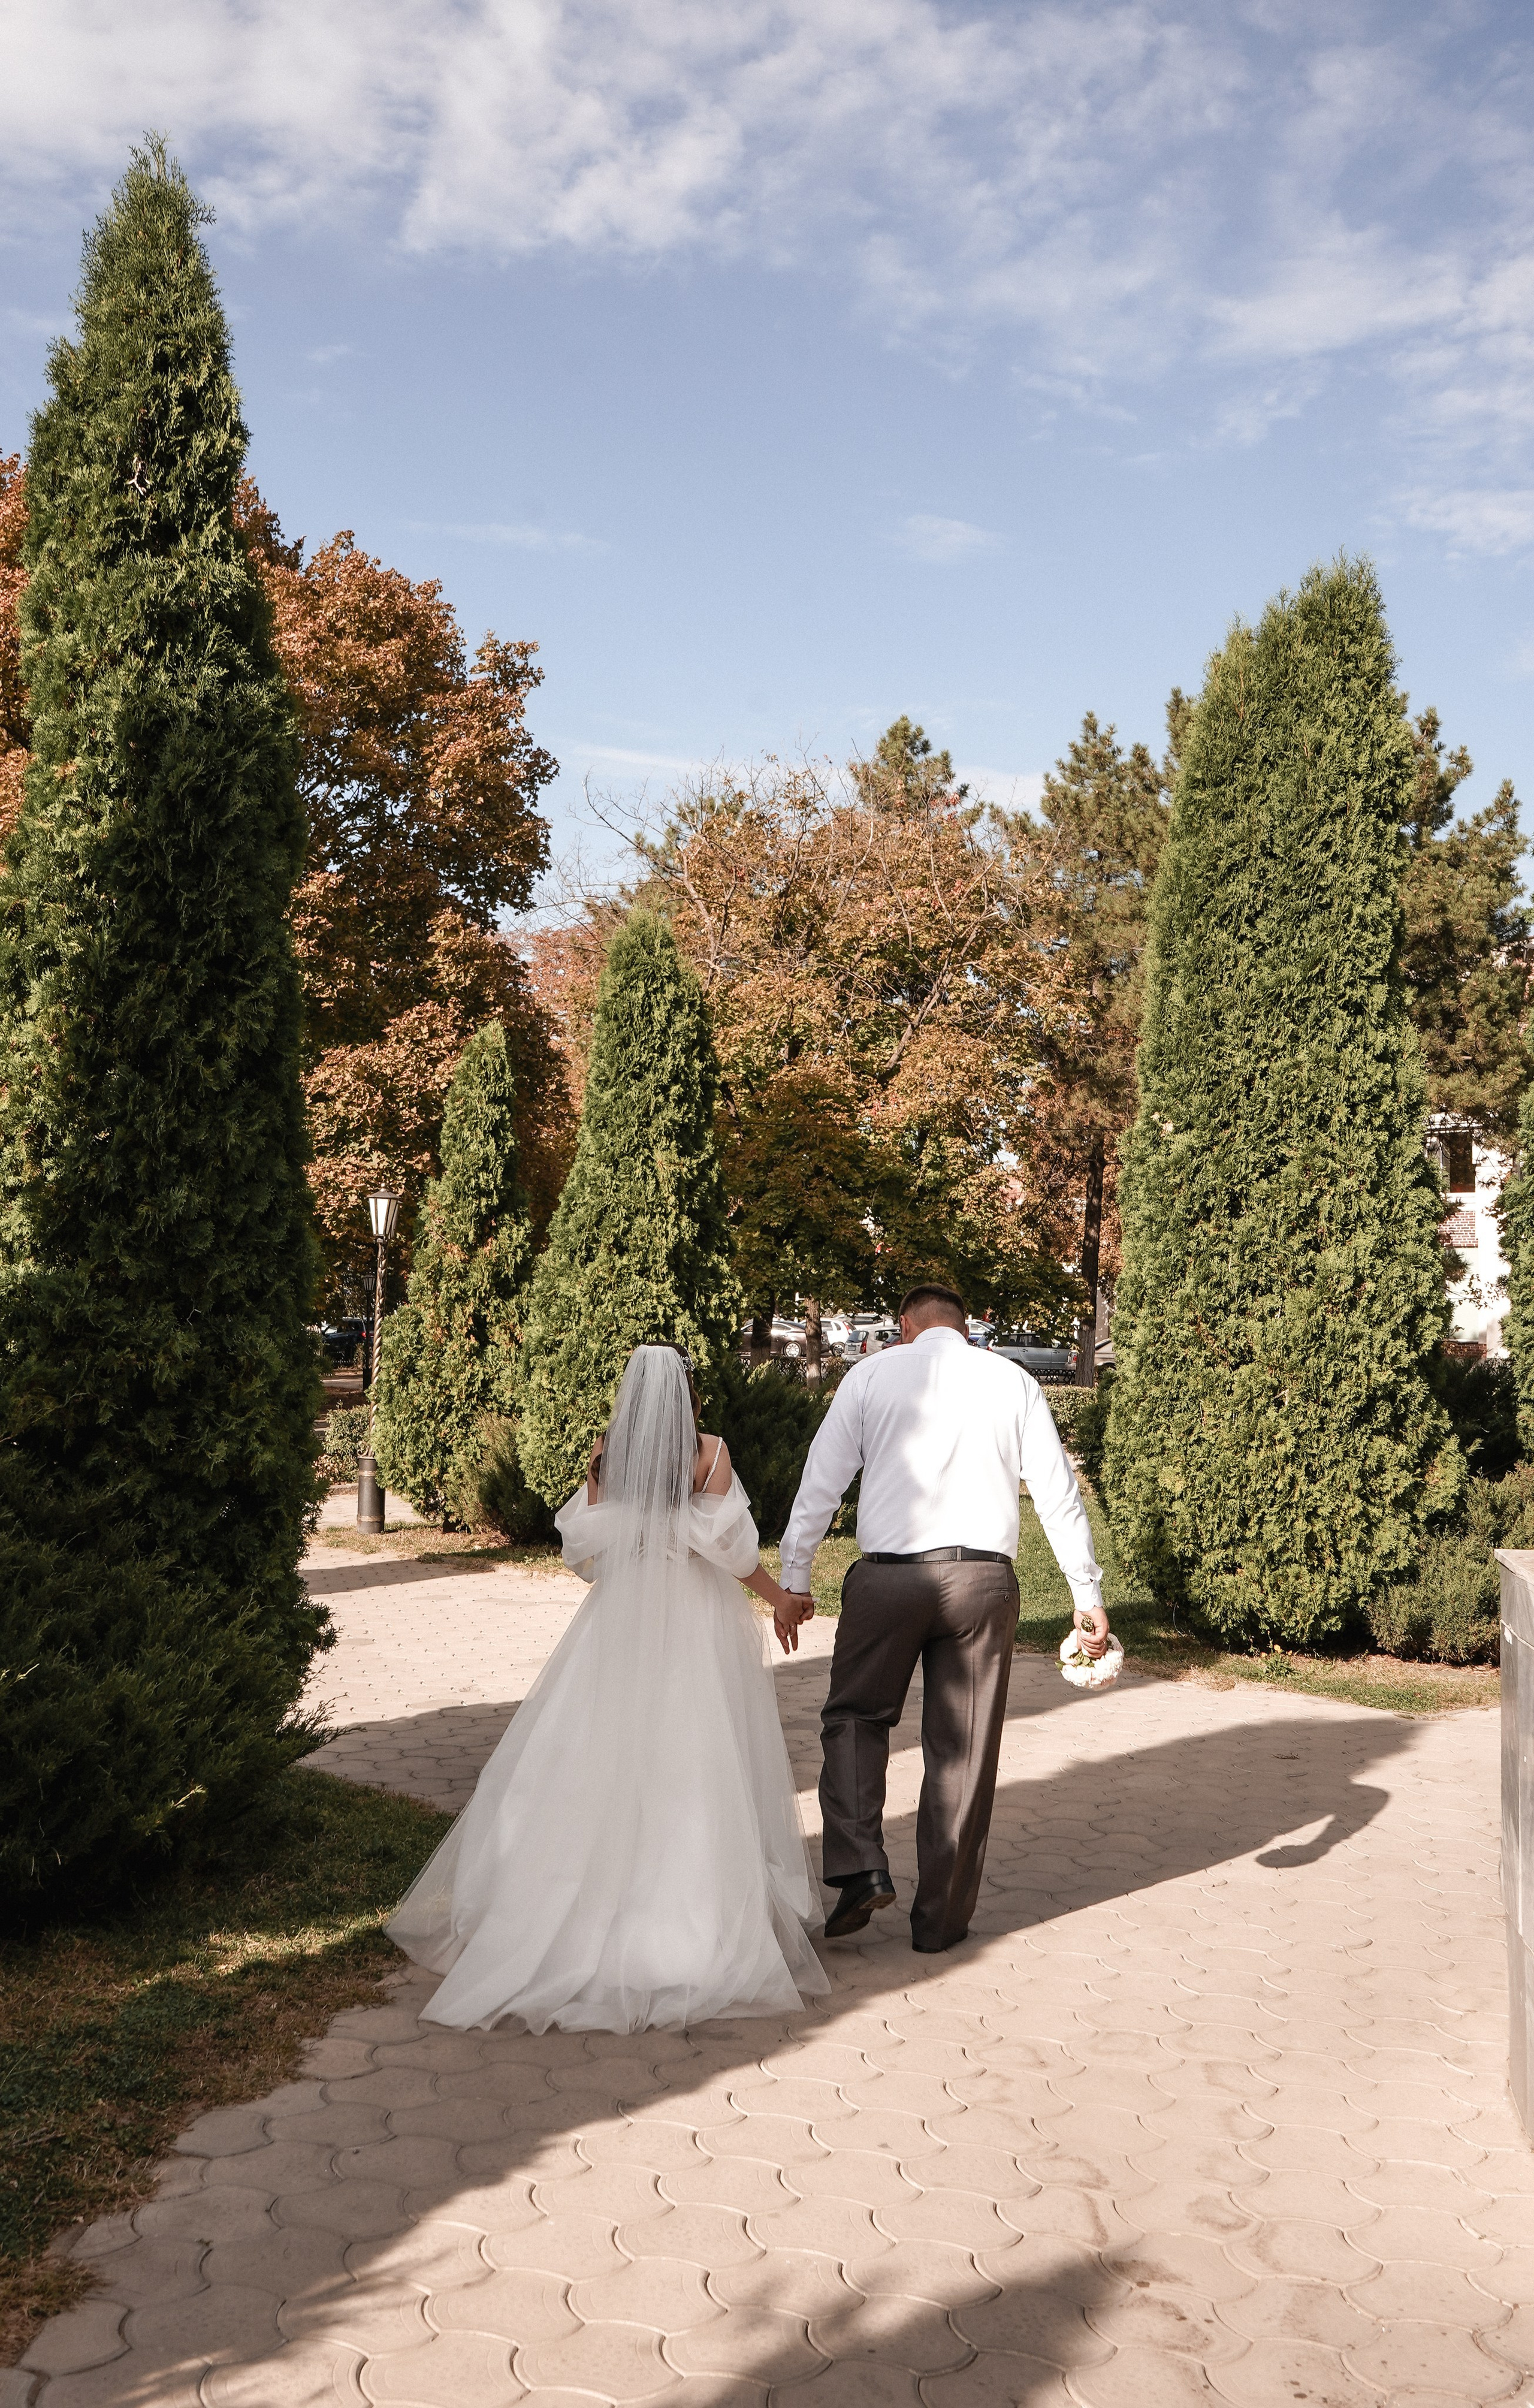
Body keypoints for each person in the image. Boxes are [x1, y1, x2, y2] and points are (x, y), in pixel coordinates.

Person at [388, 1344, 828, 2032]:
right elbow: (734, 1553)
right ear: (687, 1397)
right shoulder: (709, 1454)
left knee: (597, 1752)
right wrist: (779, 1599)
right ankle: (692, 1923)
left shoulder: (606, 1454)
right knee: (692, 1755)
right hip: (693, 1621)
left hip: (618, 1621)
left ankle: (568, 1913)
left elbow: (587, 1560)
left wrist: (638, 1545)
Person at [777, 1283, 1109, 1955]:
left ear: (905, 1327)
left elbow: (822, 1480)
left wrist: (796, 1574)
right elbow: (1056, 1489)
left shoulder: (869, 1375)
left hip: (887, 1579)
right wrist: (1086, 1591)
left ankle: (861, 1865)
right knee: (963, 1751)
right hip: (983, 1582)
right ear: (967, 1328)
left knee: (853, 1719)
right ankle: (940, 1922)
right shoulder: (1013, 1381)